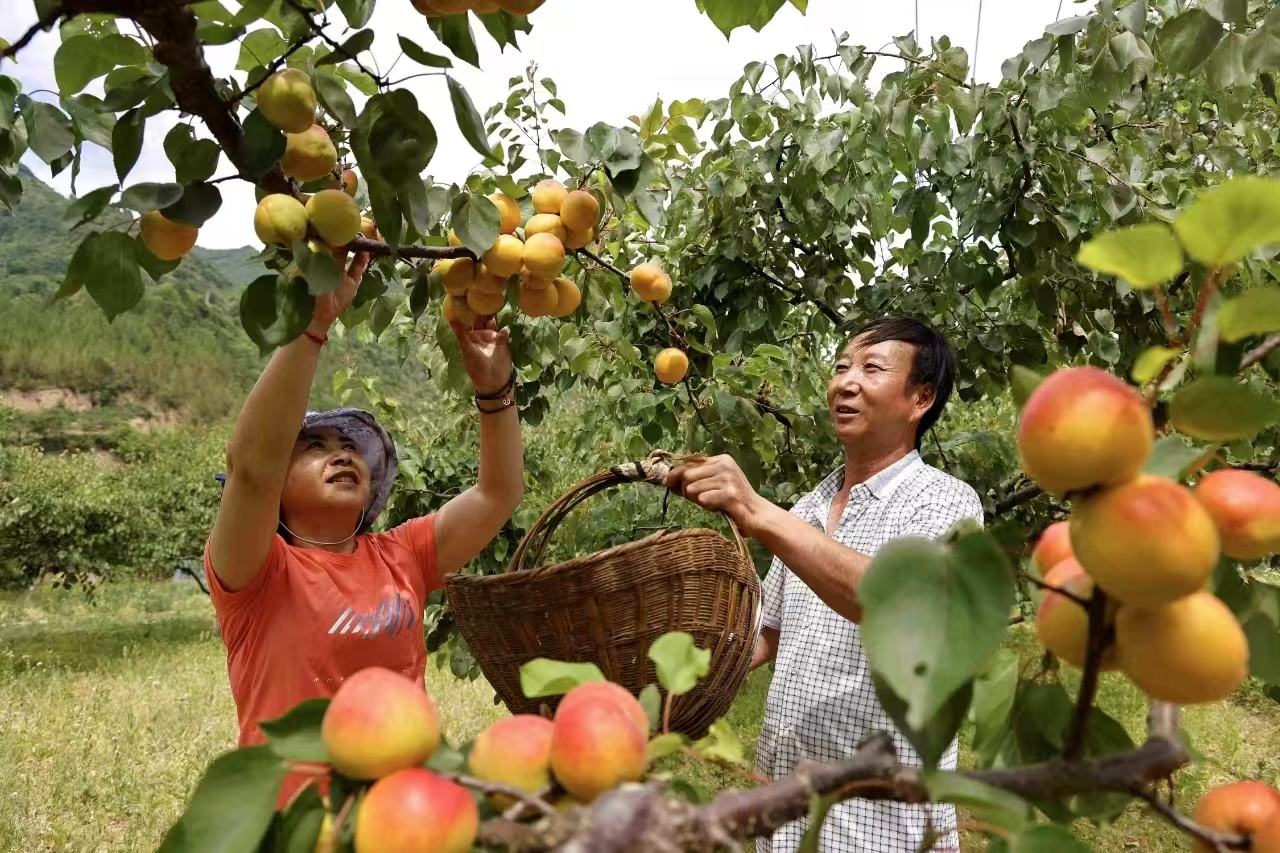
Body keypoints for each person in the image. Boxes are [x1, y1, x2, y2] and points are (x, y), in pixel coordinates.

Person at [203, 251, 524, 802]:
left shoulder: (403, 554)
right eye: (314, 446)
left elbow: (498, 494)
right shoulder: (257, 574)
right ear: (278, 484)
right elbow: (251, 471)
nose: (342, 453)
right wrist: (312, 326)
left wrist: (496, 392)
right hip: (299, 817)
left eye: (350, 446)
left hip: (402, 811)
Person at [664, 317, 982, 853]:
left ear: (920, 398)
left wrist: (756, 510)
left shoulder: (947, 502)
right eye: (841, 367)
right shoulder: (809, 509)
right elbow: (765, 634)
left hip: (879, 828)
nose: (846, 383)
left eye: (872, 369)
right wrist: (669, 676)